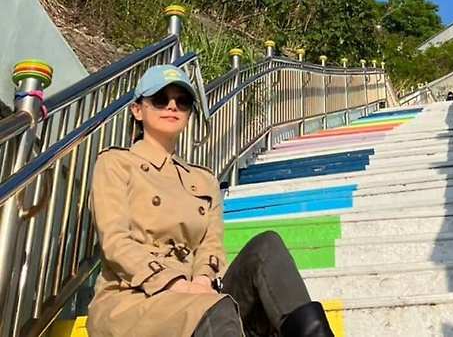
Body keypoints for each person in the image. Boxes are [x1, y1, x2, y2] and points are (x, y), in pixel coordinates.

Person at [87, 64, 333, 337]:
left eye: (182, 101)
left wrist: (203, 280)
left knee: (267, 247)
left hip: (200, 296)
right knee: (213, 307)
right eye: (160, 99)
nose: (172, 106)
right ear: (137, 110)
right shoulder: (116, 164)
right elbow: (115, 242)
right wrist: (177, 284)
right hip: (133, 299)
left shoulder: (203, 180)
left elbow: (211, 245)